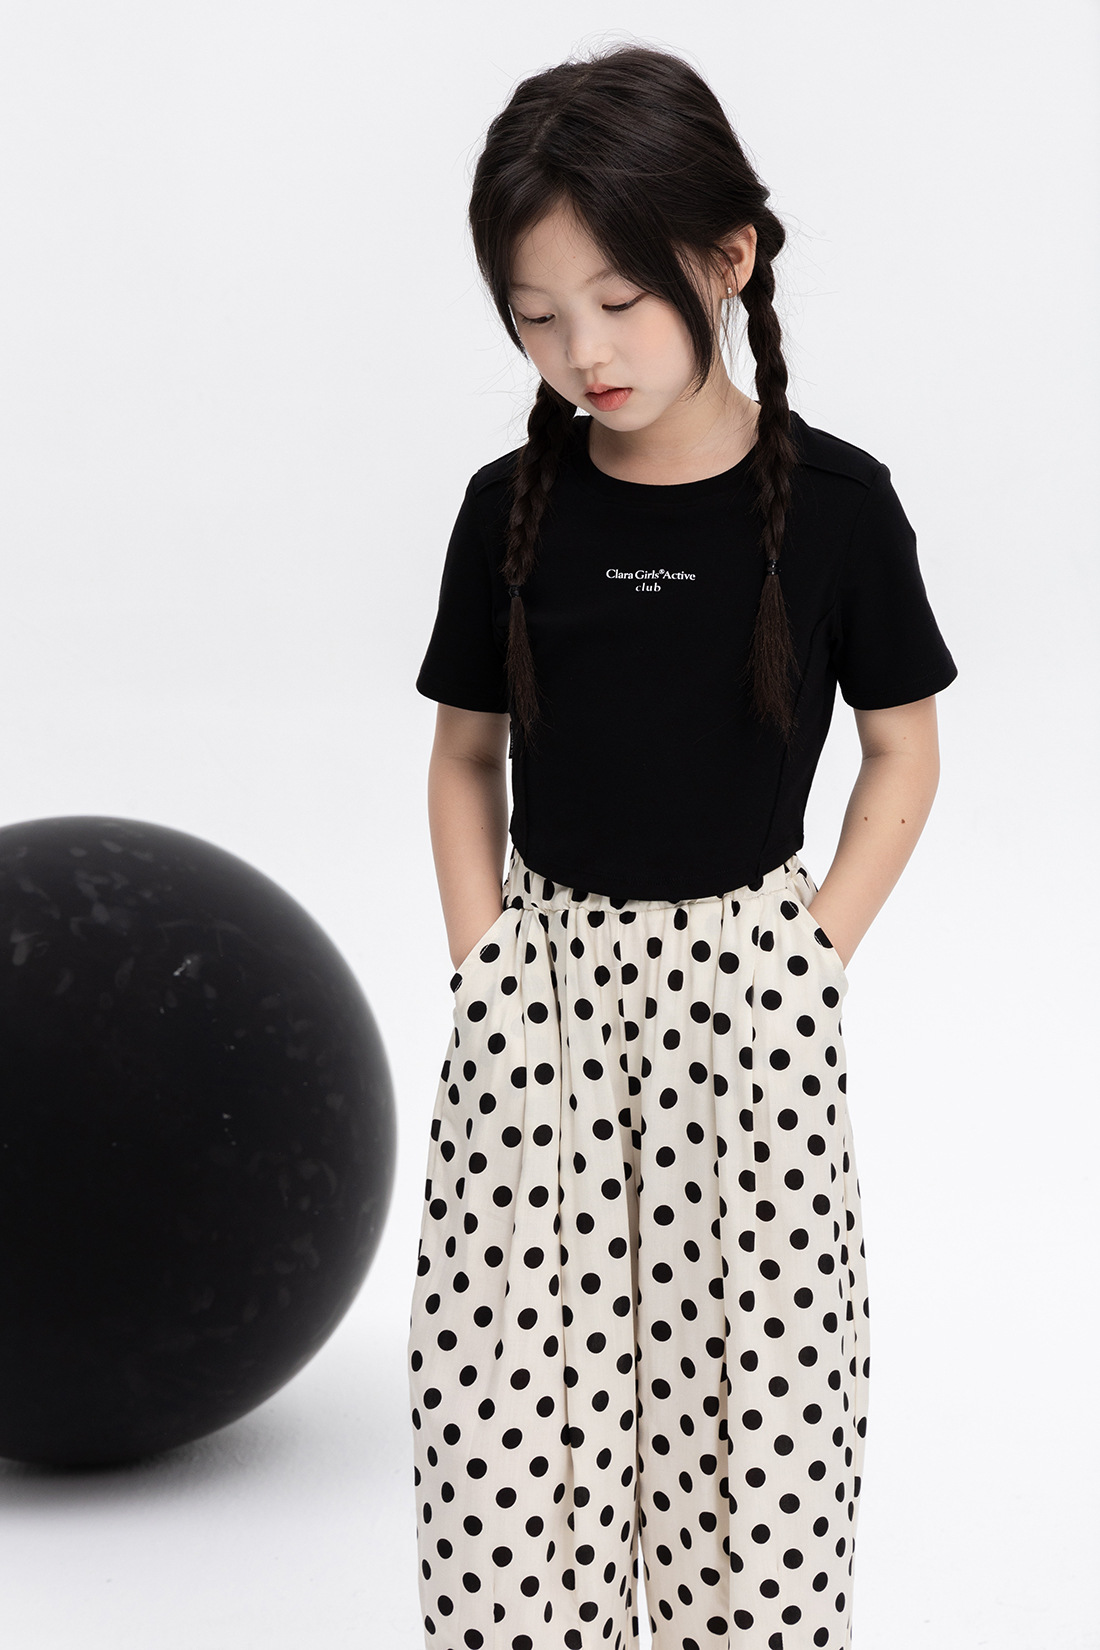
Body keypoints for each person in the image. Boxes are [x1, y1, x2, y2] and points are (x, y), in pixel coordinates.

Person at [407, 42, 957, 1650]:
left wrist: (808, 951)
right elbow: (462, 757)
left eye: (618, 300)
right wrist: (486, 963)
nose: (582, 351)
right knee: (508, 1402)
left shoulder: (841, 507)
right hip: (542, 1000)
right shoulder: (508, 508)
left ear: (728, 257)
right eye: (535, 314)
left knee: (762, 1405)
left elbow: (905, 747)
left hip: (749, 1002)